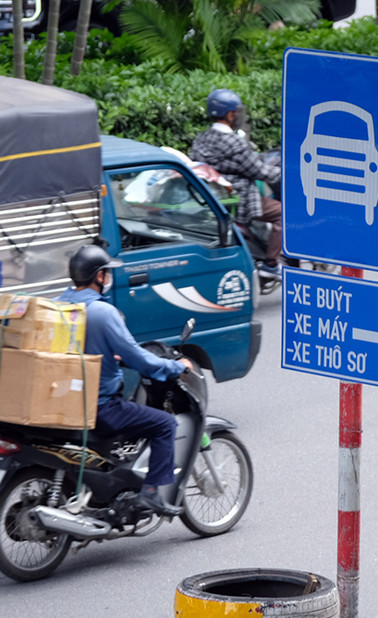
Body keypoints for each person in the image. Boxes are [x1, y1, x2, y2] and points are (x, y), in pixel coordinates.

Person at [56, 244, 193, 518]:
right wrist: (173, 366)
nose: (108, 278)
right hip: (99, 405)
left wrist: (113, 358)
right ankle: (151, 494)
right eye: (106, 273)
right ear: (98, 276)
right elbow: (139, 358)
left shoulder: (60, 305)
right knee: (165, 423)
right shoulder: (102, 313)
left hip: (63, 399)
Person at [189, 89, 283, 289]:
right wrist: (282, 174)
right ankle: (271, 264)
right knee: (282, 214)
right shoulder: (234, 142)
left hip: (214, 195)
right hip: (240, 197)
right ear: (230, 114)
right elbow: (257, 170)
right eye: (236, 112)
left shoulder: (202, 138)